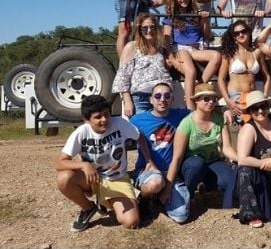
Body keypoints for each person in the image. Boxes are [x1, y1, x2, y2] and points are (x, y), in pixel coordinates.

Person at [56, 94, 158, 232]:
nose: (104, 120)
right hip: (92, 178)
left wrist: (148, 160)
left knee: (132, 222)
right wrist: (84, 165)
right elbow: (60, 163)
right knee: (64, 179)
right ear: (86, 120)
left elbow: (140, 137)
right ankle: (88, 208)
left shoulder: (120, 124)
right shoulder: (81, 133)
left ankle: (108, 201)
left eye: (106, 114)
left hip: (116, 178)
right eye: (98, 117)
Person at [230, 90, 271, 228]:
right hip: (259, 176)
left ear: (268, 107)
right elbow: (242, 159)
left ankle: (266, 202)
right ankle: (251, 214)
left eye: (263, 106)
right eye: (255, 108)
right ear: (250, 111)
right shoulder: (248, 129)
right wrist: (267, 164)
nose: (260, 111)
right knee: (244, 170)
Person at [129, 81, 190, 224]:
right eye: (157, 96)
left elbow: (202, 113)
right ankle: (144, 200)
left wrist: (225, 111)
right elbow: (119, 135)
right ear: (151, 99)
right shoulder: (137, 120)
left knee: (181, 217)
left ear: (172, 99)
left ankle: (161, 198)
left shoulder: (181, 115)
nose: (162, 99)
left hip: (171, 173)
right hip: (148, 170)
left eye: (167, 95)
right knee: (155, 183)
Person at [166, 82, 234, 210]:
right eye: (206, 99)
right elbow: (177, 157)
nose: (211, 102)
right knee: (196, 164)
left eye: (214, 99)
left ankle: (206, 188)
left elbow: (227, 148)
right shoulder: (187, 123)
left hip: (213, 160)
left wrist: (240, 159)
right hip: (191, 163)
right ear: (196, 100)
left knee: (228, 181)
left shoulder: (219, 119)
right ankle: (190, 194)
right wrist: (168, 187)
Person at [162, 0, 219, 102]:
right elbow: (166, 38)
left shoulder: (195, 13)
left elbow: (207, 35)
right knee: (191, 71)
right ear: (174, 0)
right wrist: (171, 57)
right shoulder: (171, 16)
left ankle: (199, 86)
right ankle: (189, 103)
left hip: (196, 48)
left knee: (217, 56)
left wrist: (205, 20)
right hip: (181, 48)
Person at [113, 13, 175, 116]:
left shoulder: (160, 47)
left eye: (152, 27)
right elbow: (122, 76)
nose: (149, 30)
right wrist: (127, 101)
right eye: (145, 28)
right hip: (142, 98)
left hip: (163, 98)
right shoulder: (132, 47)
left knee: (162, 130)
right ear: (139, 29)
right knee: (142, 130)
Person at [217, 21, 271, 121]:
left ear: (249, 32)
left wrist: (265, 97)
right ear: (233, 37)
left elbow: (267, 77)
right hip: (236, 96)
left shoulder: (257, 52)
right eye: (236, 33)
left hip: (254, 96)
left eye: (243, 31)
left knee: (259, 122)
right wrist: (228, 101)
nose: (240, 34)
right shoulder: (229, 54)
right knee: (247, 122)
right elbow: (221, 79)